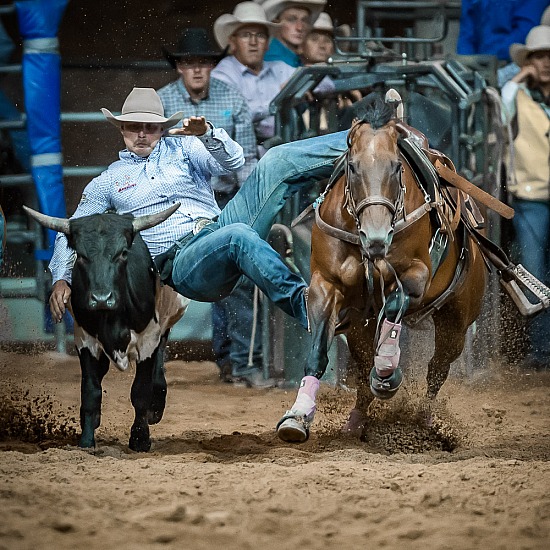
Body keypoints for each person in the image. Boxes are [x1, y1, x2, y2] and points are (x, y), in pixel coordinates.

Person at [48, 88, 351, 390]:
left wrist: (206, 133)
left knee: (274, 160)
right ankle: (307, 306)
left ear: (161, 128)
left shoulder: (184, 148)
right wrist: (61, 278)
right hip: (181, 262)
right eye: (134, 127)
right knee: (238, 236)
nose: (142, 134)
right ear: (122, 129)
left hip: (217, 227)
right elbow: (72, 229)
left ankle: (365, 140)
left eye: (150, 127)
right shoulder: (108, 181)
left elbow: (233, 161)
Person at [157, 28, 262, 385]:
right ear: (179, 67)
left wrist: (247, 206)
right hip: (176, 204)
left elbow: (246, 159)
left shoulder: (233, 99)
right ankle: (153, 357)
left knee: (236, 278)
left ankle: (235, 360)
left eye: (203, 63)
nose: (197, 70)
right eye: (189, 63)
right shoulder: (162, 102)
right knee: (160, 277)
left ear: (212, 66)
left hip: (225, 199)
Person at [501, 25, 550, 370]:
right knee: (533, 274)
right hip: (531, 196)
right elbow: (500, 112)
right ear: (529, 62)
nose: (546, 63)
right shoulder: (517, 96)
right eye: (538, 56)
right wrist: (519, 78)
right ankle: (540, 352)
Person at [212, 1, 295, 156]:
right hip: (241, 155)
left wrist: (301, 87)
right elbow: (232, 114)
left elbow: (323, 81)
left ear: (268, 43)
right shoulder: (222, 74)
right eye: (246, 35)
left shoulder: (278, 67)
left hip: (282, 150)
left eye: (260, 35)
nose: (253, 42)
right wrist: (284, 96)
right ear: (232, 42)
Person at [457, 0, 547, 62]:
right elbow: (466, 33)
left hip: (514, 61)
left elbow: (524, 32)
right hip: (478, 62)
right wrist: (465, 61)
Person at [255, 0, 326, 67]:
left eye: (305, 20)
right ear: (275, 22)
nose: (300, 28)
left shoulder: (295, 57)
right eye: (291, 20)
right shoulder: (272, 58)